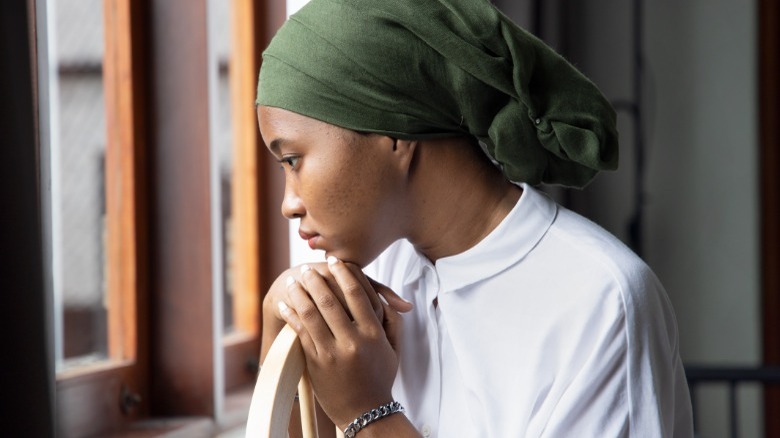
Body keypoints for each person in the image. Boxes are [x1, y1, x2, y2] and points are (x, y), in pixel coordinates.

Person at [256, 0, 694, 436]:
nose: (288, 204)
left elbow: (360, 414)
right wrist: (279, 326)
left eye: (292, 160)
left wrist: (366, 412)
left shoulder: (600, 302)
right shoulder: (379, 277)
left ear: (394, 134)